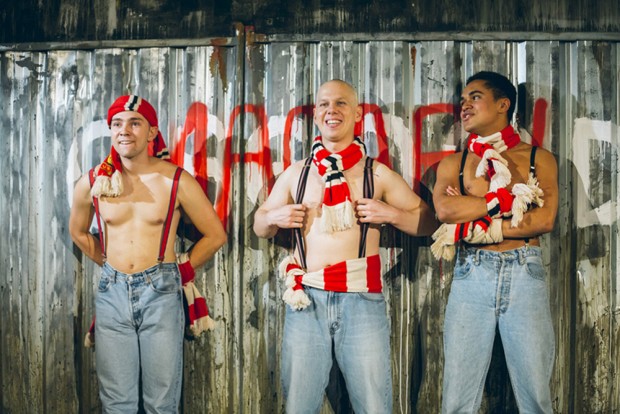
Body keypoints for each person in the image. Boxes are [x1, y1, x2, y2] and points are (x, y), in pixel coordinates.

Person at [253, 79, 437, 413]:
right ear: (315, 114)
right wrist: (275, 216)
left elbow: (427, 223)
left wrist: (391, 214)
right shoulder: (297, 173)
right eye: (324, 104)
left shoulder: (376, 174)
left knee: (373, 404)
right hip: (305, 300)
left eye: (340, 103)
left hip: (362, 299)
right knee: (299, 403)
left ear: (357, 113)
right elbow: (259, 225)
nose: (331, 111)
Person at [69, 95, 227, 413]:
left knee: (162, 401)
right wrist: (109, 263)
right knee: (117, 401)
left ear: (152, 133)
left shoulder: (175, 180)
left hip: (162, 292)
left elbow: (215, 235)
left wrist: (177, 270)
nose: (124, 131)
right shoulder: (94, 181)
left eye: (134, 122)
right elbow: (79, 232)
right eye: (117, 124)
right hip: (112, 293)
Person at [432, 71, 558, 413]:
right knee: (457, 397)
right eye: (462, 100)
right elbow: (445, 210)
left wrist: (476, 220)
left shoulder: (537, 159)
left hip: (523, 273)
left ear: (503, 104)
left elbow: (544, 220)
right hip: (471, 274)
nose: (464, 105)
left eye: (474, 97)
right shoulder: (453, 164)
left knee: (534, 395)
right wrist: (503, 202)